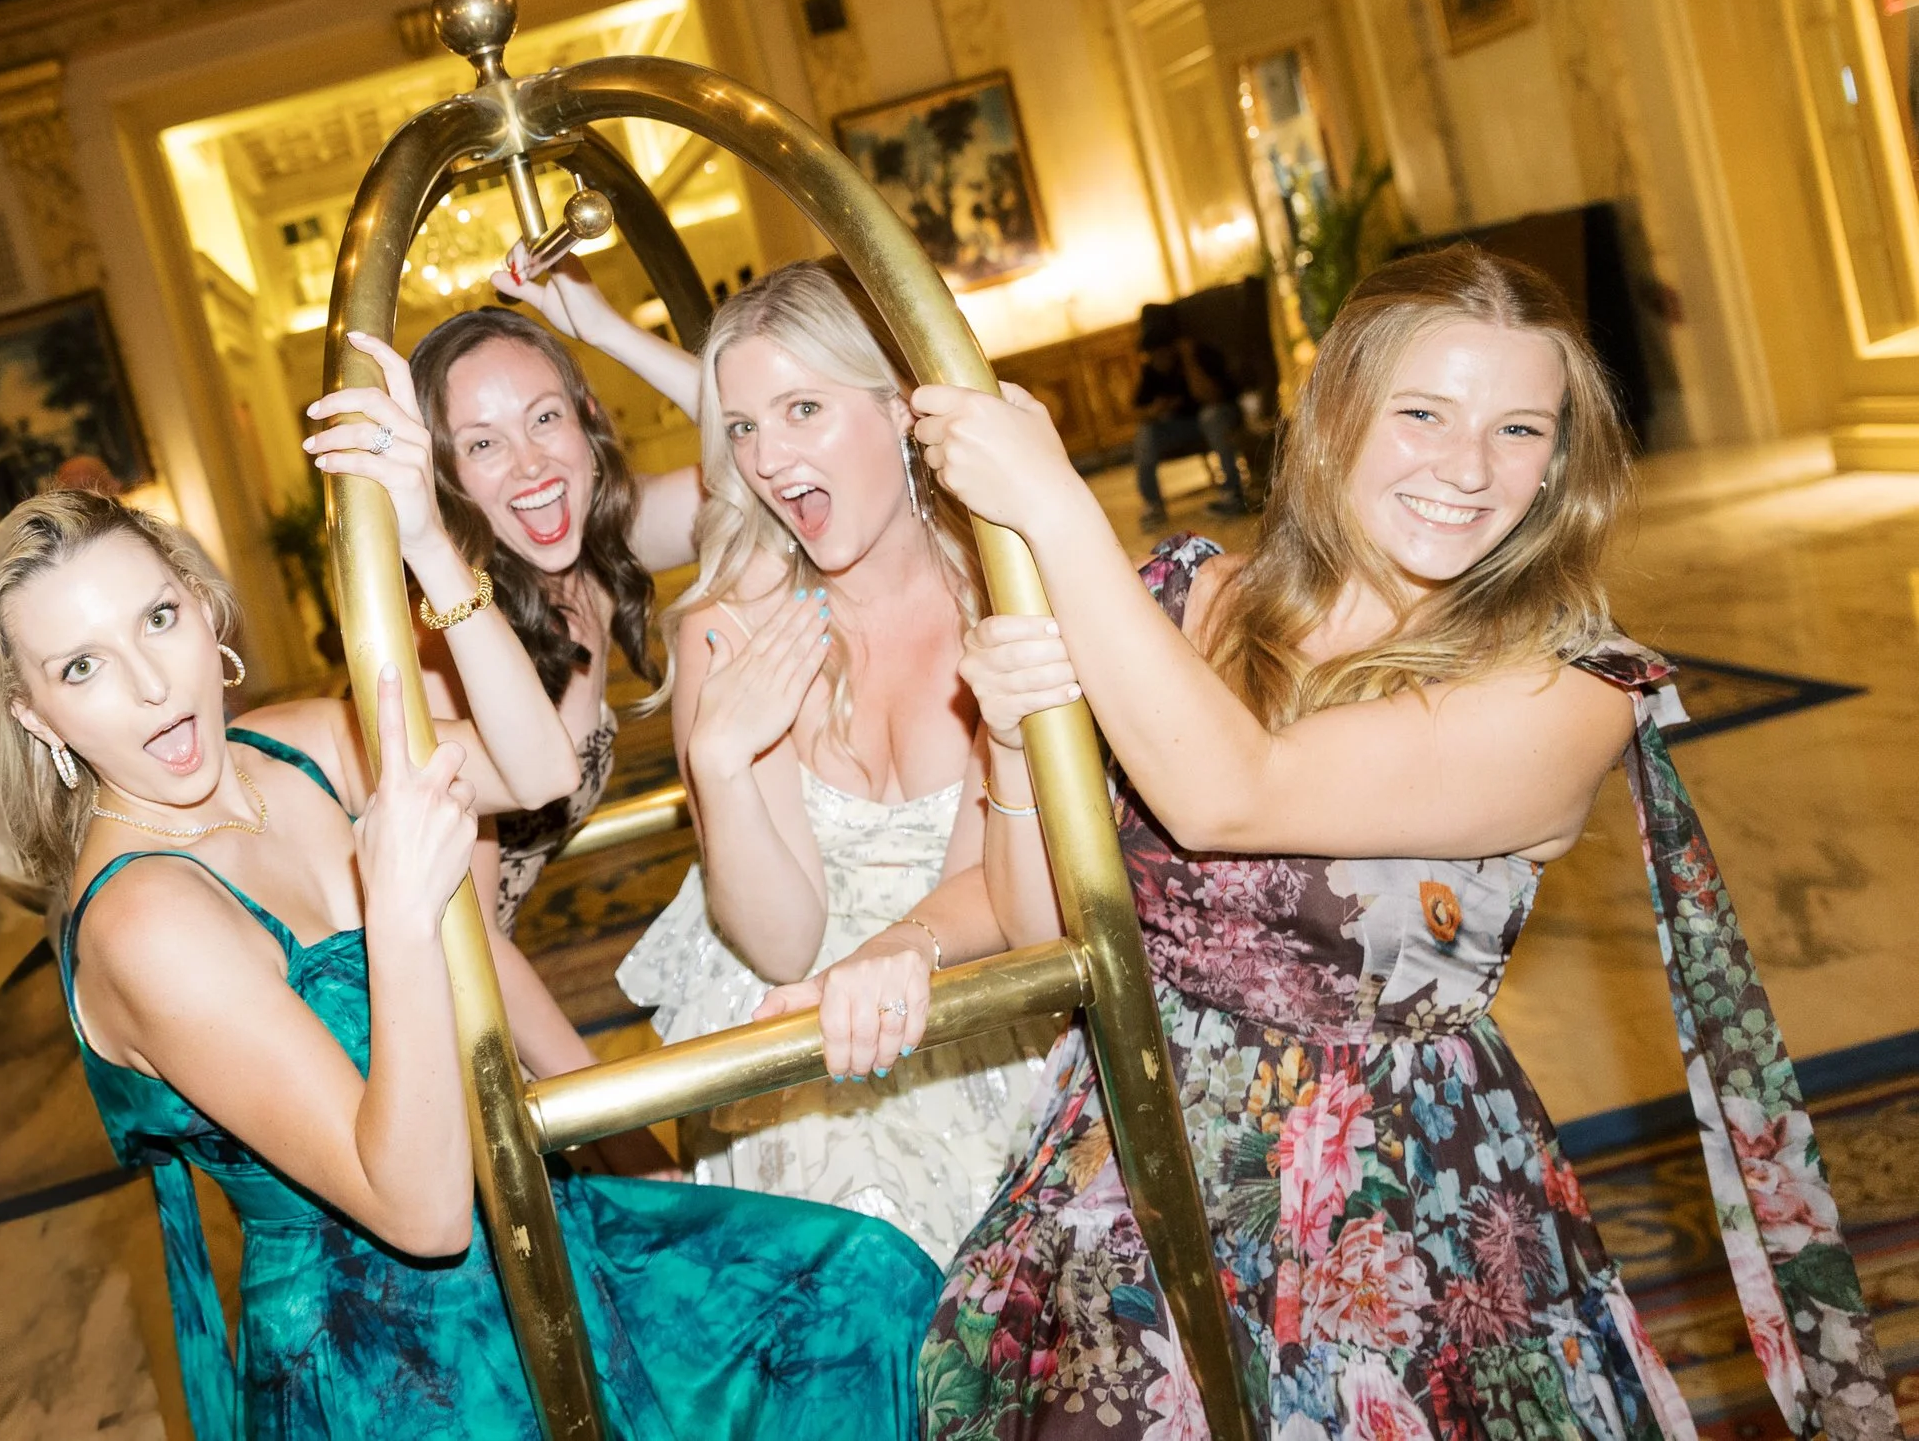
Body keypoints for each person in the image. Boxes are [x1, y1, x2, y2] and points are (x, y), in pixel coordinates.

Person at [769, 247, 1895, 1441]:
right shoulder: (1168, 603)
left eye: (1519, 429)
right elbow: (1052, 927)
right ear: (1333, 413)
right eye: (1422, 413)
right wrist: (1008, 747)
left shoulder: (1566, 690)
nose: (1467, 468)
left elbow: (1228, 795)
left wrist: (1054, 510)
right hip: (1124, 1173)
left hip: (1386, 1208)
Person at [0, 485, 940, 1438]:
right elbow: (420, 1211)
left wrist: (433, 545)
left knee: (861, 1285)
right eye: (83, 668)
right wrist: (396, 919)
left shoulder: (299, 745)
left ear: (201, 600)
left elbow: (539, 770)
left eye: (158, 617)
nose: (151, 684)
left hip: (532, 1228)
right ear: (40, 719)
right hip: (388, 1356)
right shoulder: (144, 920)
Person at [614, 259, 1055, 1265]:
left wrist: (901, 946)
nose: (768, 458)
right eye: (742, 427)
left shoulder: (1010, 583)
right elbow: (779, 942)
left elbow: (1007, 883)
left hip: (983, 976)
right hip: (792, 1006)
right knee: (843, 1217)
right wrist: (719, 764)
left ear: (901, 404)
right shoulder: (732, 628)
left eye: (803, 408)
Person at [312, 255, 701, 1094]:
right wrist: (614, 1119)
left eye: (545, 418)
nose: (530, 466)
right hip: (410, 1028)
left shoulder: (593, 559)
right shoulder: (443, 653)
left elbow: (765, 458)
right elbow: (471, 937)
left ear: (588, 419)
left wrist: (605, 329)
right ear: (441, 479)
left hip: (489, 1004)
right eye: (484, 445)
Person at [1132, 300, 1248, 531]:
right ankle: (1153, 505)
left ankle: (1233, 493)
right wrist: (1155, 411)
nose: (1158, 355)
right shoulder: (1151, 369)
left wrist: (1188, 360)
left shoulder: (1200, 354)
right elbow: (1137, 411)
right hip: (1184, 427)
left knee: (1210, 417)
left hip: (1222, 416)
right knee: (1146, 433)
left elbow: (1213, 397)